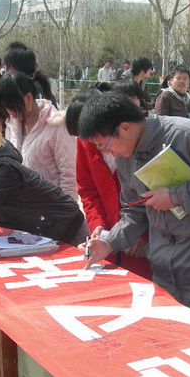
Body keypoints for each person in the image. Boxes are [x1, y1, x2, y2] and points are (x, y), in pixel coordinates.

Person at [80, 93, 190, 325]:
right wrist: (109, 243)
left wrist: (176, 196)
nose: (108, 153)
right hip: (163, 272)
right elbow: (134, 210)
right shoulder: (126, 157)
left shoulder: (188, 135)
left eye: (104, 145)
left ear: (125, 128)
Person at [66, 89, 151, 279]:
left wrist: (144, 236)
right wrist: (97, 224)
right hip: (108, 241)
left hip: (142, 244)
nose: (90, 142)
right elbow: (87, 190)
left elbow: (148, 198)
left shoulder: (133, 142)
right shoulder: (85, 142)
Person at [0, 72, 78, 200]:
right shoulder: (11, 124)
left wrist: (67, 209)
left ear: (28, 98)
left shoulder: (56, 125)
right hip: (20, 206)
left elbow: (69, 176)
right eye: (5, 106)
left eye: (11, 105)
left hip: (50, 206)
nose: (8, 110)